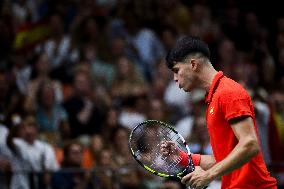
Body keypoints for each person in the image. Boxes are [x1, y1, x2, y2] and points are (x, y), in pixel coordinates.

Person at [163, 36, 277, 189]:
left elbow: (250, 144)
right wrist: (182, 157)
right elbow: (224, 160)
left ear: (193, 64)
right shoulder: (214, 97)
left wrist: (208, 175)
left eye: (177, 71)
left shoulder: (228, 92)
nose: (175, 79)